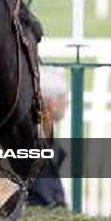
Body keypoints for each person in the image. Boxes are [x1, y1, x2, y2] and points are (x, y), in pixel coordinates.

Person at [27, 66, 69, 208]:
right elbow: (45, 197)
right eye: (65, 99)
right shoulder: (38, 141)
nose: (67, 104)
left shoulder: (42, 134)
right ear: (53, 104)